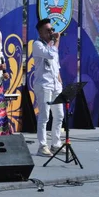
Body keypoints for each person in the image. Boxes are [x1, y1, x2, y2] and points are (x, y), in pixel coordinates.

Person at [32, 19, 65, 156]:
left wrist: (60, 81)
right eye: (48, 30)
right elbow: (50, 54)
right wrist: (57, 41)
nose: (51, 32)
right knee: (44, 116)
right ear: (40, 32)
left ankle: (55, 144)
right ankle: (42, 146)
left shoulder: (51, 45)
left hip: (55, 85)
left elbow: (55, 65)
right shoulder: (37, 44)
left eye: (52, 30)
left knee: (59, 115)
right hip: (43, 84)